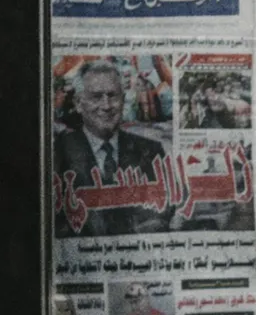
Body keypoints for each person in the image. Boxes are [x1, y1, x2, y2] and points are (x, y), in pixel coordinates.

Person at [54, 60, 170, 237]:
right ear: (78, 103)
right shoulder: (57, 153)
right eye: (96, 97)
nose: (106, 105)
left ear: (123, 101)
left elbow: (162, 214)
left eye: (112, 95)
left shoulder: (151, 151)